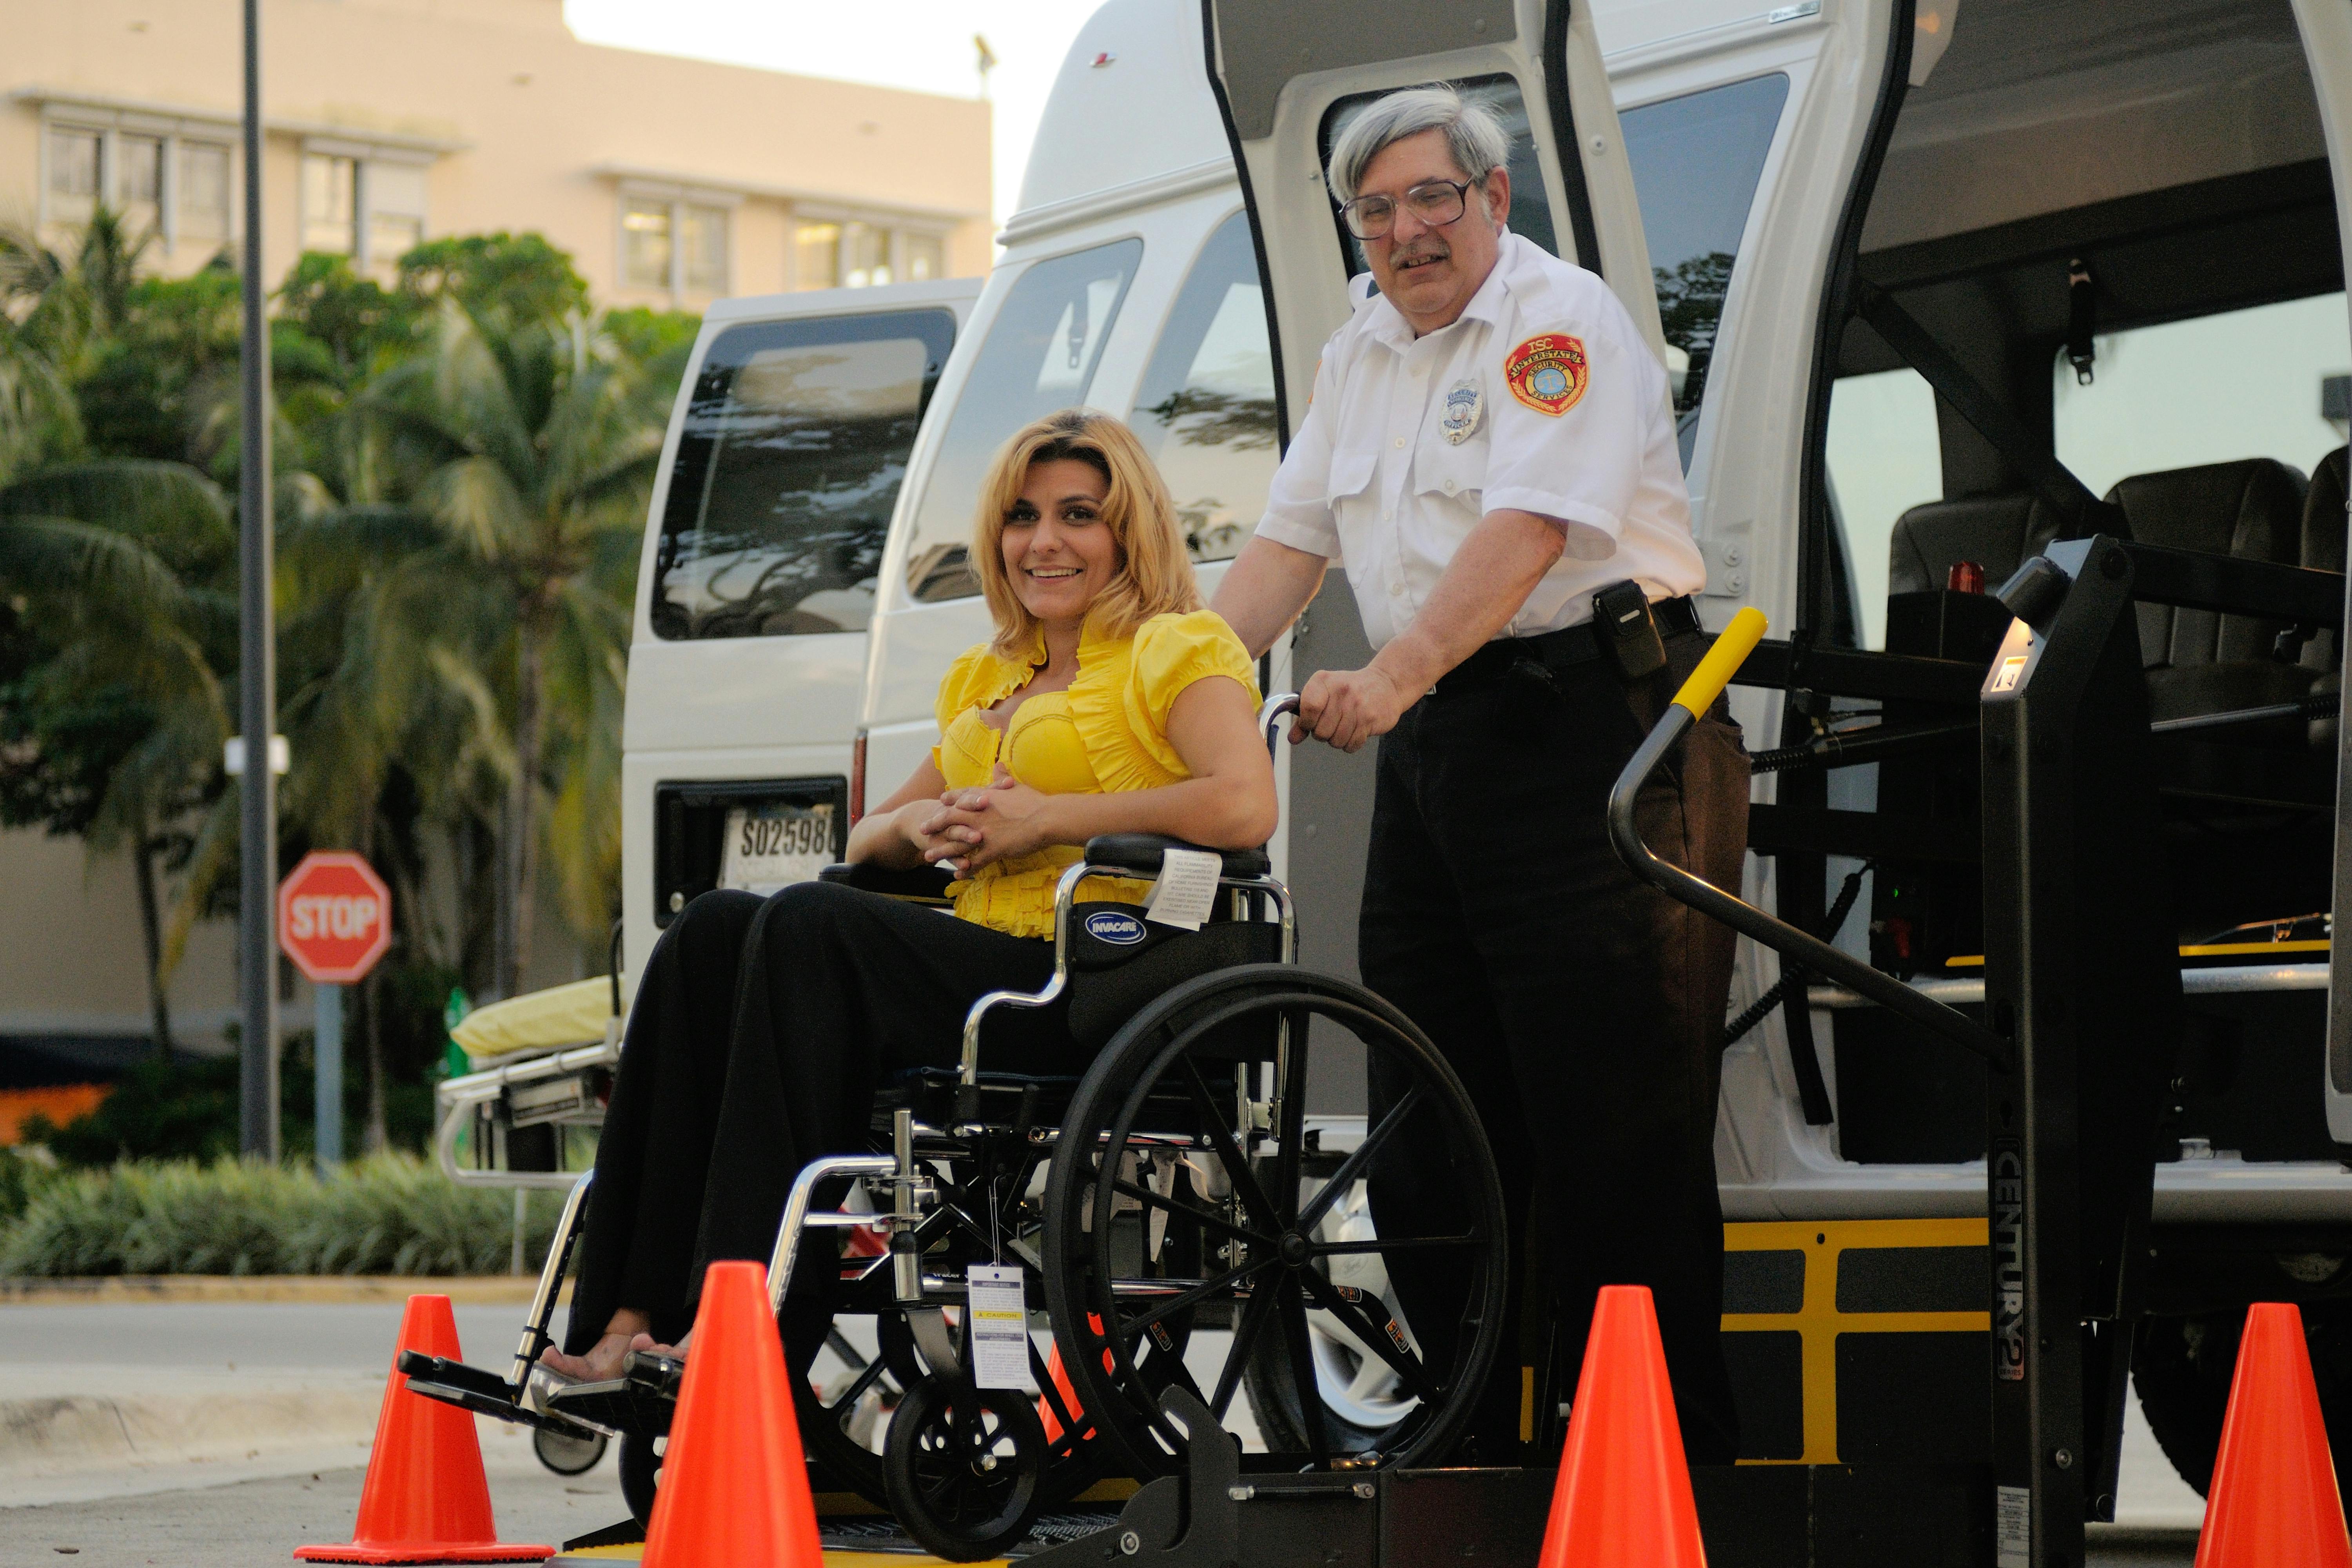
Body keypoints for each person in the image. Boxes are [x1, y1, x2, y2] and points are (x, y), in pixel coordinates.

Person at [1209, 85, 1749, 1463]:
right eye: (1377, 211)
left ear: (1493, 200)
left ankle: (1655, 1482)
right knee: (1428, 1114)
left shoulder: (1557, 322)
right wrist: (1170, 697)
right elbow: (1284, 550)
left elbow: (1530, 528)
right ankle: (1470, 1460)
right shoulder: (1361, 350)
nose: (1404, 231)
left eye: (1430, 199)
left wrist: (1389, 680)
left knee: (1611, 1135)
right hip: (1446, 745)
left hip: (1595, 729)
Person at [546, 408, 1275, 1382]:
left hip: (1094, 976)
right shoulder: (989, 679)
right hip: (981, 966)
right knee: (715, 927)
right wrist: (916, 831)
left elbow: (1243, 803)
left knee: (811, 925)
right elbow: (864, 837)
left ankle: (744, 1326)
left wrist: (1049, 817)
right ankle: (627, 1314)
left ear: (1129, 530)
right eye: (1022, 516)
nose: (1044, 540)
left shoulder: (1176, 648)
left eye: (1079, 515)